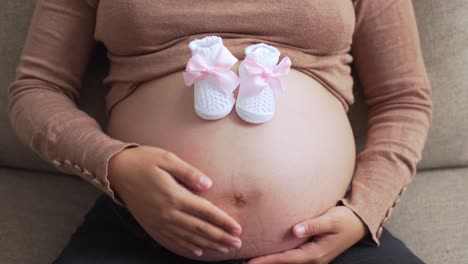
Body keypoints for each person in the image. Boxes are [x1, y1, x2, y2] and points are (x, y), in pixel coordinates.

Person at [7, 0, 433, 263]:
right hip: (140, 231)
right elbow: (36, 90)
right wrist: (114, 164)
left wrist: (364, 213)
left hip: (326, 241)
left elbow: (404, 99)